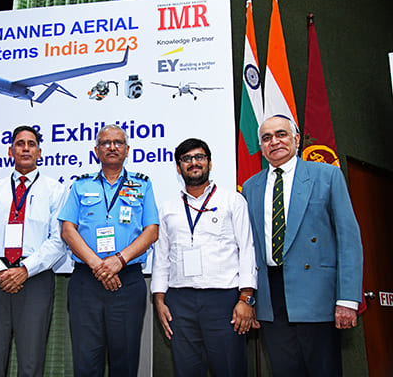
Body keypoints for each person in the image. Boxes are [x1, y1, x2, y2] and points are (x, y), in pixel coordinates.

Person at [241, 115, 363, 376]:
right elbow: (249, 248)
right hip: (271, 300)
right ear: (261, 147)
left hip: (317, 296)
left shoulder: (327, 175)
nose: (274, 142)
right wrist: (249, 299)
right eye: (267, 138)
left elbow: (349, 240)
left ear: (296, 139)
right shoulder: (251, 187)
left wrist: (348, 299)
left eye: (281, 134)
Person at [0, 125, 68, 376]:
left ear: (39, 152)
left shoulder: (56, 190)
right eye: (20, 143)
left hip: (35, 279)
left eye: (31, 144)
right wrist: (0, 271)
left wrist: (25, 269)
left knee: (31, 360)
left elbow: (59, 239)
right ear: (10, 151)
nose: (25, 148)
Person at [59, 124, 159, 377]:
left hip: (128, 280)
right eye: (105, 143)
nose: (112, 147)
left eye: (118, 143)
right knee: (86, 360)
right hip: (86, 281)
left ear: (127, 150)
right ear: (96, 151)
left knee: (124, 361)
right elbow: (68, 230)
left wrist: (118, 261)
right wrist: (98, 265)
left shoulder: (143, 185)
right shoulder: (80, 185)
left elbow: (151, 231)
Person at [151, 138, 257, 377]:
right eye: (186, 159)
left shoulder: (233, 201)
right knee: (186, 371)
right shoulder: (168, 207)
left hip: (224, 301)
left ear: (209, 162)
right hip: (180, 301)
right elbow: (161, 257)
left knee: (230, 370)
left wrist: (246, 297)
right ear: (179, 168)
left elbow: (247, 250)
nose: (194, 163)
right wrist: (159, 300)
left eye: (199, 157)